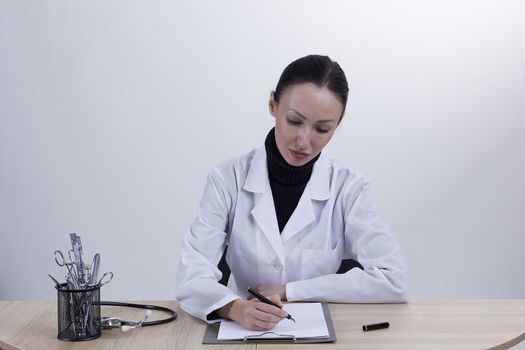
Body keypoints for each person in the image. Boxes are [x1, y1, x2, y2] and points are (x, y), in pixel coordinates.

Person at [175, 54, 407, 331]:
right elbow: (192, 276)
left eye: (322, 129)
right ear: (273, 104)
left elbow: (392, 280)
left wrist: (289, 290)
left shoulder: (349, 189)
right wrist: (234, 308)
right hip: (246, 332)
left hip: (321, 334)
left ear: (338, 123)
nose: (304, 141)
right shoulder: (227, 180)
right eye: (295, 121)